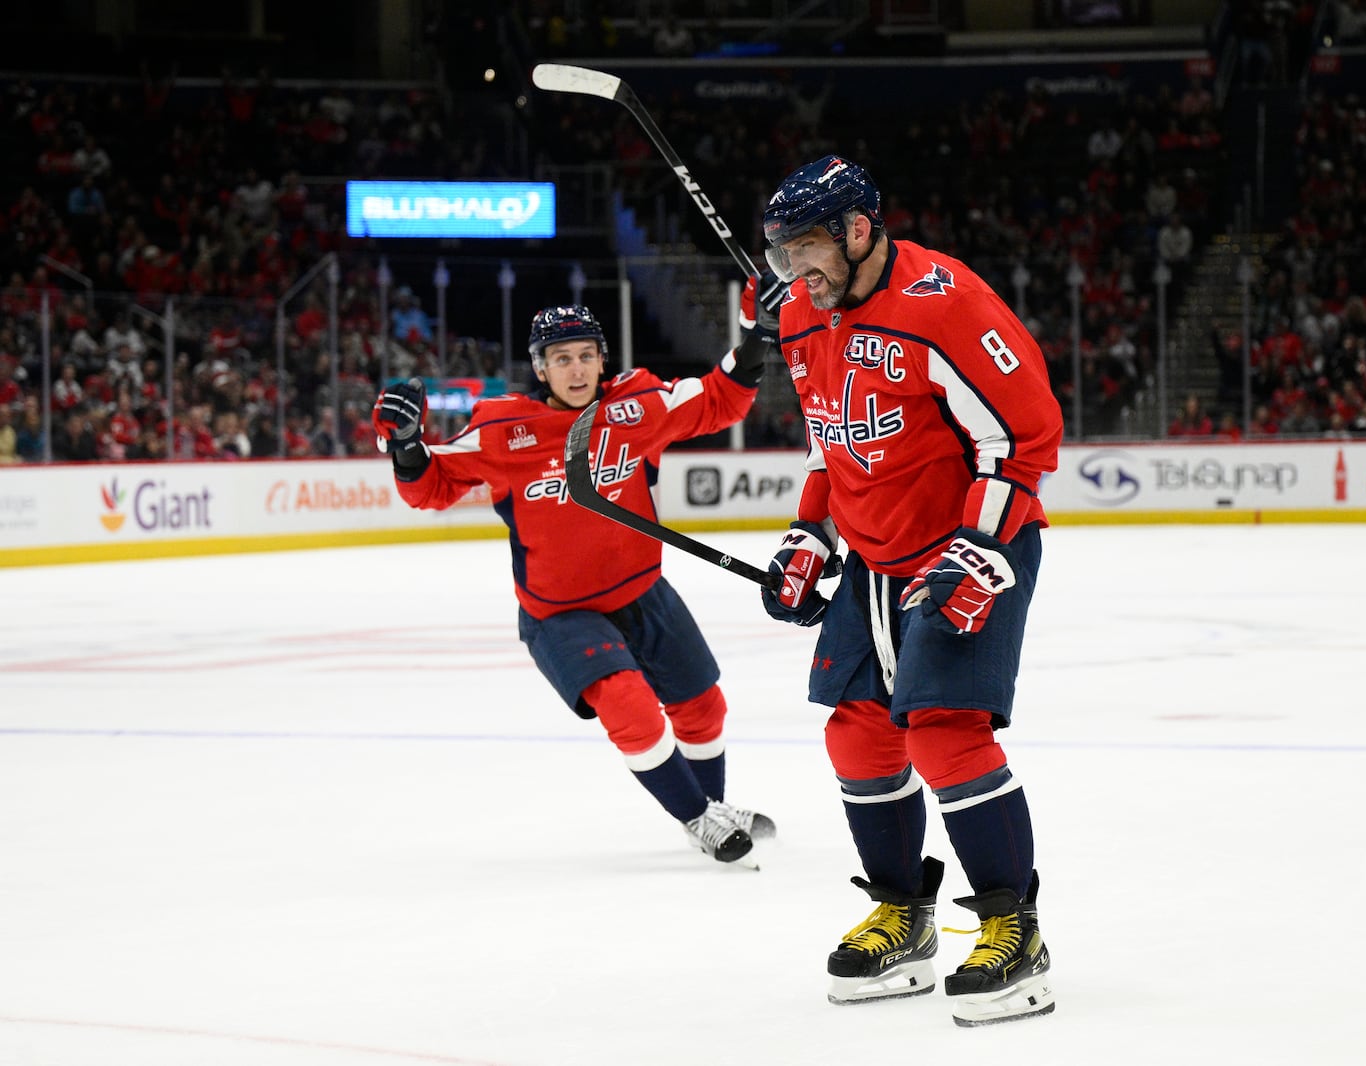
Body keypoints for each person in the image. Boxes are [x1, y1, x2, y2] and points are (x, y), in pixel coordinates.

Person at [757, 155, 1062, 1026]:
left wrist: (977, 546)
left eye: (806, 249)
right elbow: (832, 440)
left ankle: (1016, 931)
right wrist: (810, 533)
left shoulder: (947, 304)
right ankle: (904, 913)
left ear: (860, 230)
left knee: (944, 734)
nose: (795, 274)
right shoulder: (802, 319)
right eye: (781, 257)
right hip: (875, 556)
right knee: (856, 735)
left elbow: (1024, 438)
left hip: (975, 541)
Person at [371, 297, 782, 865]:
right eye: (561, 359)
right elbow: (431, 486)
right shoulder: (501, 429)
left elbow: (718, 399)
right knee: (630, 707)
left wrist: (757, 334)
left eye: (586, 355)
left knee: (704, 706)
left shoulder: (639, 403)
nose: (576, 369)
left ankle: (709, 806)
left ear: (602, 359)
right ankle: (697, 816)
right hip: (559, 613)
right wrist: (407, 445)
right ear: (540, 368)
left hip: (643, 589)